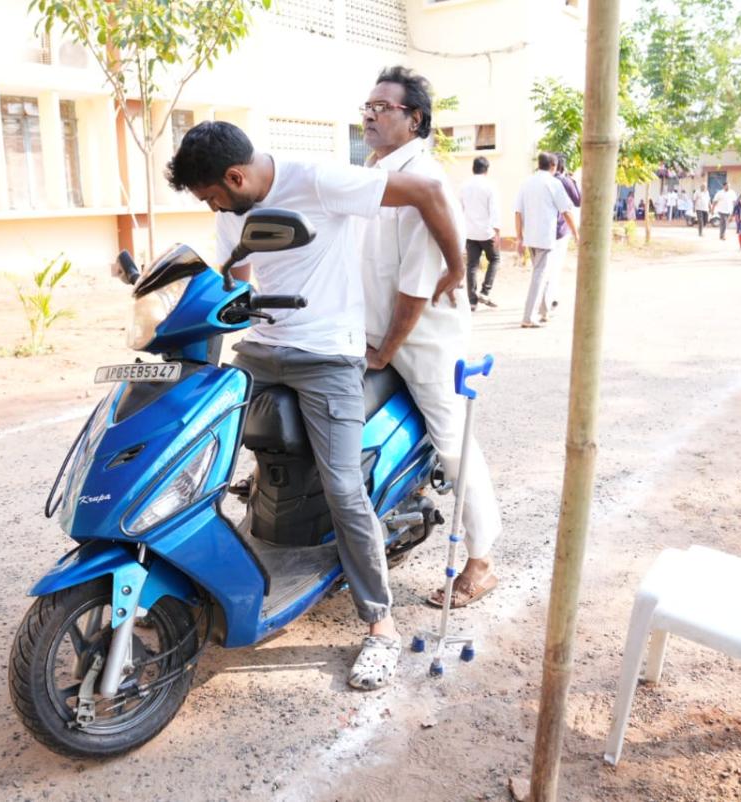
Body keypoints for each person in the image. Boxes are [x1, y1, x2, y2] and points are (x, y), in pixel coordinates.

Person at [165, 120, 463, 690]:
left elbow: (427, 192)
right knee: (196, 439)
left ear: (235, 176)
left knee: (343, 486)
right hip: (261, 349)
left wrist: (457, 265)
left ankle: (380, 625)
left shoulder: (318, 180)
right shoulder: (232, 209)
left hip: (327, 354)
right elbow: (238, 275)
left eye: (213, 197)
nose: (213, 209)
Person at [359, 65, 504, 613]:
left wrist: (387, 352)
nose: (371, 115)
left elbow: (417, 289)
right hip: (374, 331)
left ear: (414, 119)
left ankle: (482, 560)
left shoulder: (427, 180)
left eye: (384, 107)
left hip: (422, 338)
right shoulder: (374, 171)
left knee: (454, 441)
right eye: (367, 107)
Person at [515, 153, 578, 328]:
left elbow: (518, 212)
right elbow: (566, 211)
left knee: (542, 274)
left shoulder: (526, 182)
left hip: (530, 237)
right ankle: (528, 317)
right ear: (553, 166)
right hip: (545, 237)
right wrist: (576, 233)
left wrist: (519, 237)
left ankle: (544, 311)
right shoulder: (554, 183)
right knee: (540, 276)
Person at [460, 156, 501, 311]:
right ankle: (485, 291)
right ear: (487, 170)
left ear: (473, 168)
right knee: (495, 259)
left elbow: (459, 209)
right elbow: (495, 210)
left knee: (471, 265)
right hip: (487, 232)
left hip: (469, 232)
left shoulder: (464, 185)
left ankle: (472, 301)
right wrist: (497, 232)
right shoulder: (490, 185)